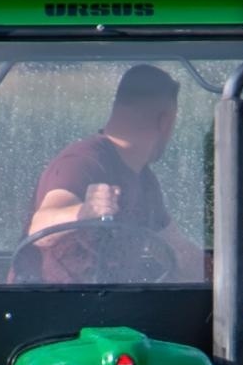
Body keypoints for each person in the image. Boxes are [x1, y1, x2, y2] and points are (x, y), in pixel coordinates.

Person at [12, 64, 207, 283]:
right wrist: (84, 211)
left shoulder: (145, 181)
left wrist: (232, 282)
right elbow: (40, 228)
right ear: (166, 122)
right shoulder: (84, 161)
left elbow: (179, 252)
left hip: (109, 306)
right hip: (47, 307)